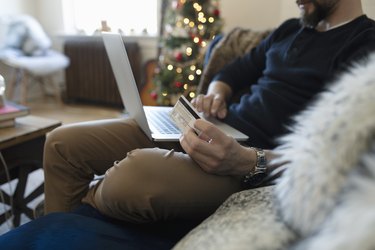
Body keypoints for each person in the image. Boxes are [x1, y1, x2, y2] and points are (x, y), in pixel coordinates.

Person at [43, 0, 375, 225]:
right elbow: (230, 74)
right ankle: (57, 234)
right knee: (62, 143)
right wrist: (215, 95)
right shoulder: (289, 30)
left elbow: (343, 156)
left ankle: (72, 217)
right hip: (212, 128)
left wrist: (246, 160)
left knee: (131, 178)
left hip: (245, 165)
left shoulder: (365, 45)